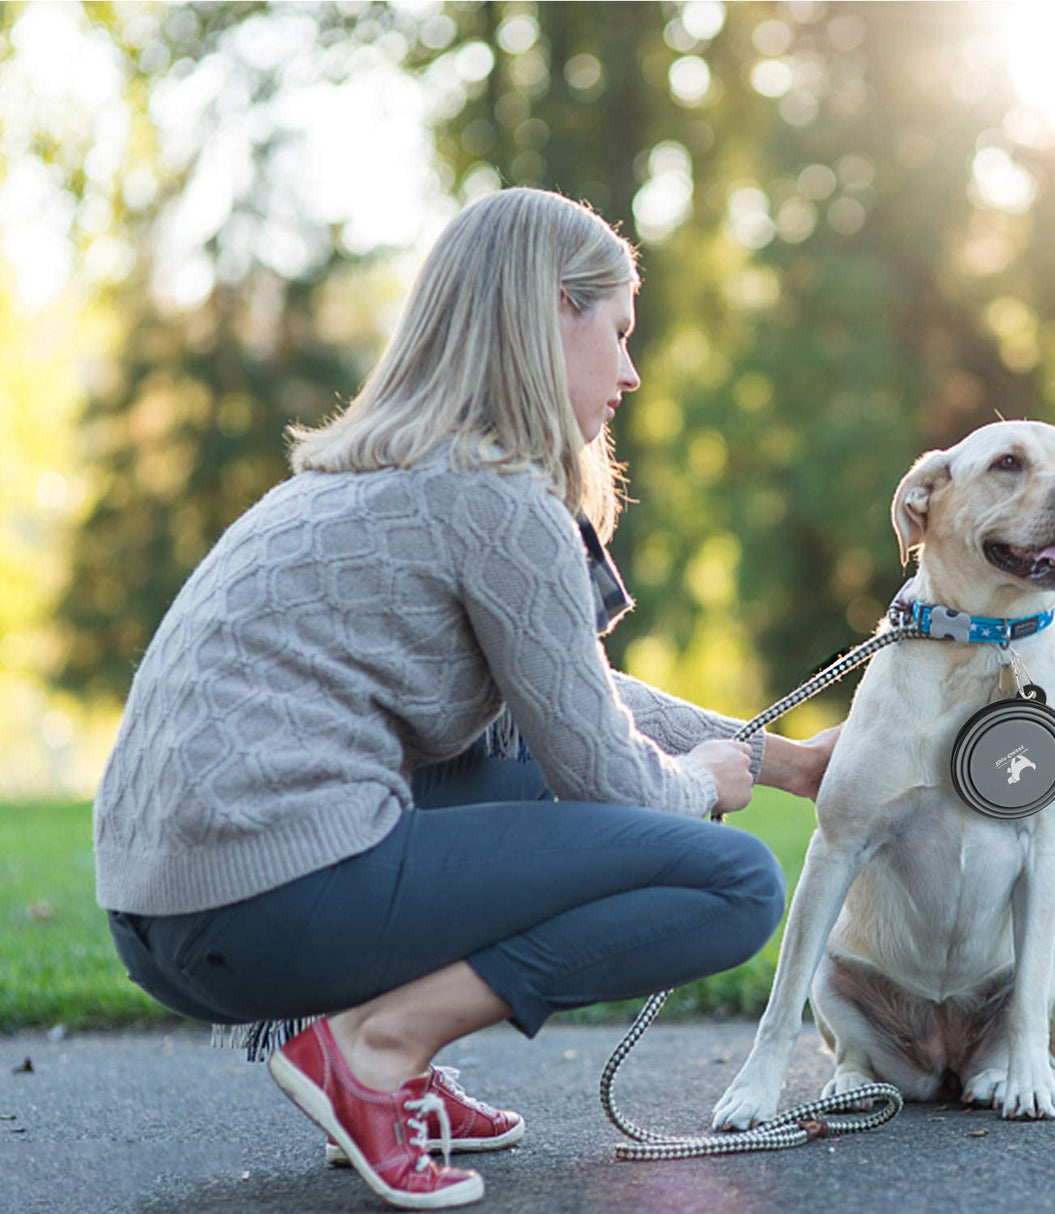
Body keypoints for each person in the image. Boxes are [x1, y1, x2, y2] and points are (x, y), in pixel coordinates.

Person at [94, 187, 840, 1210]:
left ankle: (369, 1052)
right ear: (548, 317)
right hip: (267, 899)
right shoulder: (496, 498)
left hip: (165, 915)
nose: (628, 372)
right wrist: (704, 782)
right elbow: (610, 776)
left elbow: (571, 693)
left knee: (510, 768)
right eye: (616, 333)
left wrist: (781, 759)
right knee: (733, 884)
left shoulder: (362, 477)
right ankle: (374, 1050)